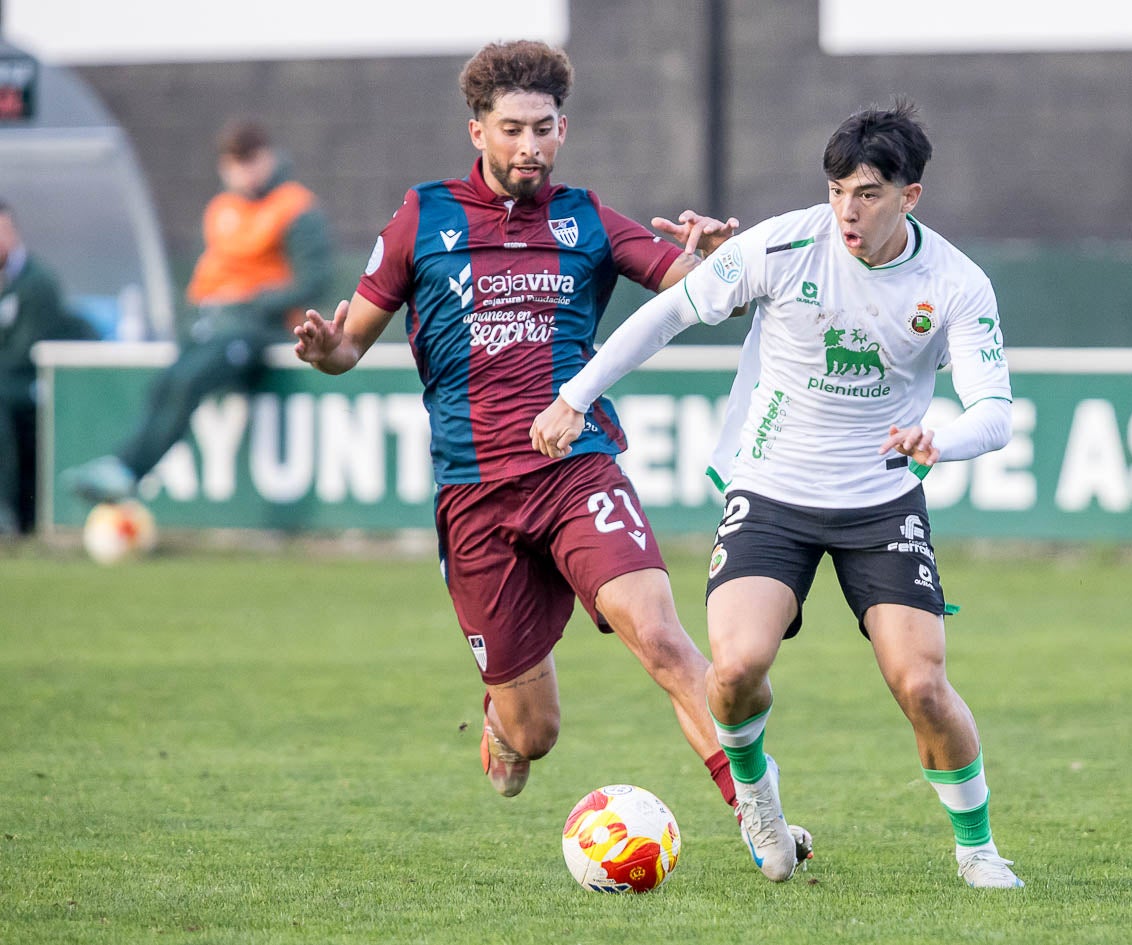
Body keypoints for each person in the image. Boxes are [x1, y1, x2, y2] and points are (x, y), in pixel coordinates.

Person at [289, 40, 810, 867]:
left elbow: (696, 289)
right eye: (512, 129)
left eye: (544, 128)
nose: (530, 145)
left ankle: (755, 810)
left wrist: (717, 258)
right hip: (475, 494)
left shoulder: (586, 219)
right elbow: (348, 344)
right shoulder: (423, 216)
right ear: (477, 131)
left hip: (575, 468)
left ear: (562, 128)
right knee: (533, 737)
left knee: (662, 637)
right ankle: (502, 719)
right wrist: (325, 349)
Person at [532, 100, 1024, 888]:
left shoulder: (956, 283)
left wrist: (941, 438)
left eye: (867, 194)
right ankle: (758, 799)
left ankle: (977, 849)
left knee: (922, 685)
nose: (846, 212)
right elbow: (665, 316)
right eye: (836, 192)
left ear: (909, 196)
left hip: (881, 500)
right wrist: (574, 396)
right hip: (771, 491)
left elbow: (993, 412)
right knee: (733, 669)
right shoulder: (784, 244)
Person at [63, 118, 333, 503]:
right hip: (212, 324)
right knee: (167, 382)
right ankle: (119, 466)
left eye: (250, 159)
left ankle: (127, 471)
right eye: (234, 162)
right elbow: (206, 275)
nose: (244, 171)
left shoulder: (294, 207)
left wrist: (253, 300)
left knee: (188, 381)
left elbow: (314, 280)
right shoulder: (222, 210)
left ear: (268, 157)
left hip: (260, 330)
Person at [0, 200, 97, 535]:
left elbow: (25, 354)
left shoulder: (37, 283)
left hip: (33, 382)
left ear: (12, 233)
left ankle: (5, 511)